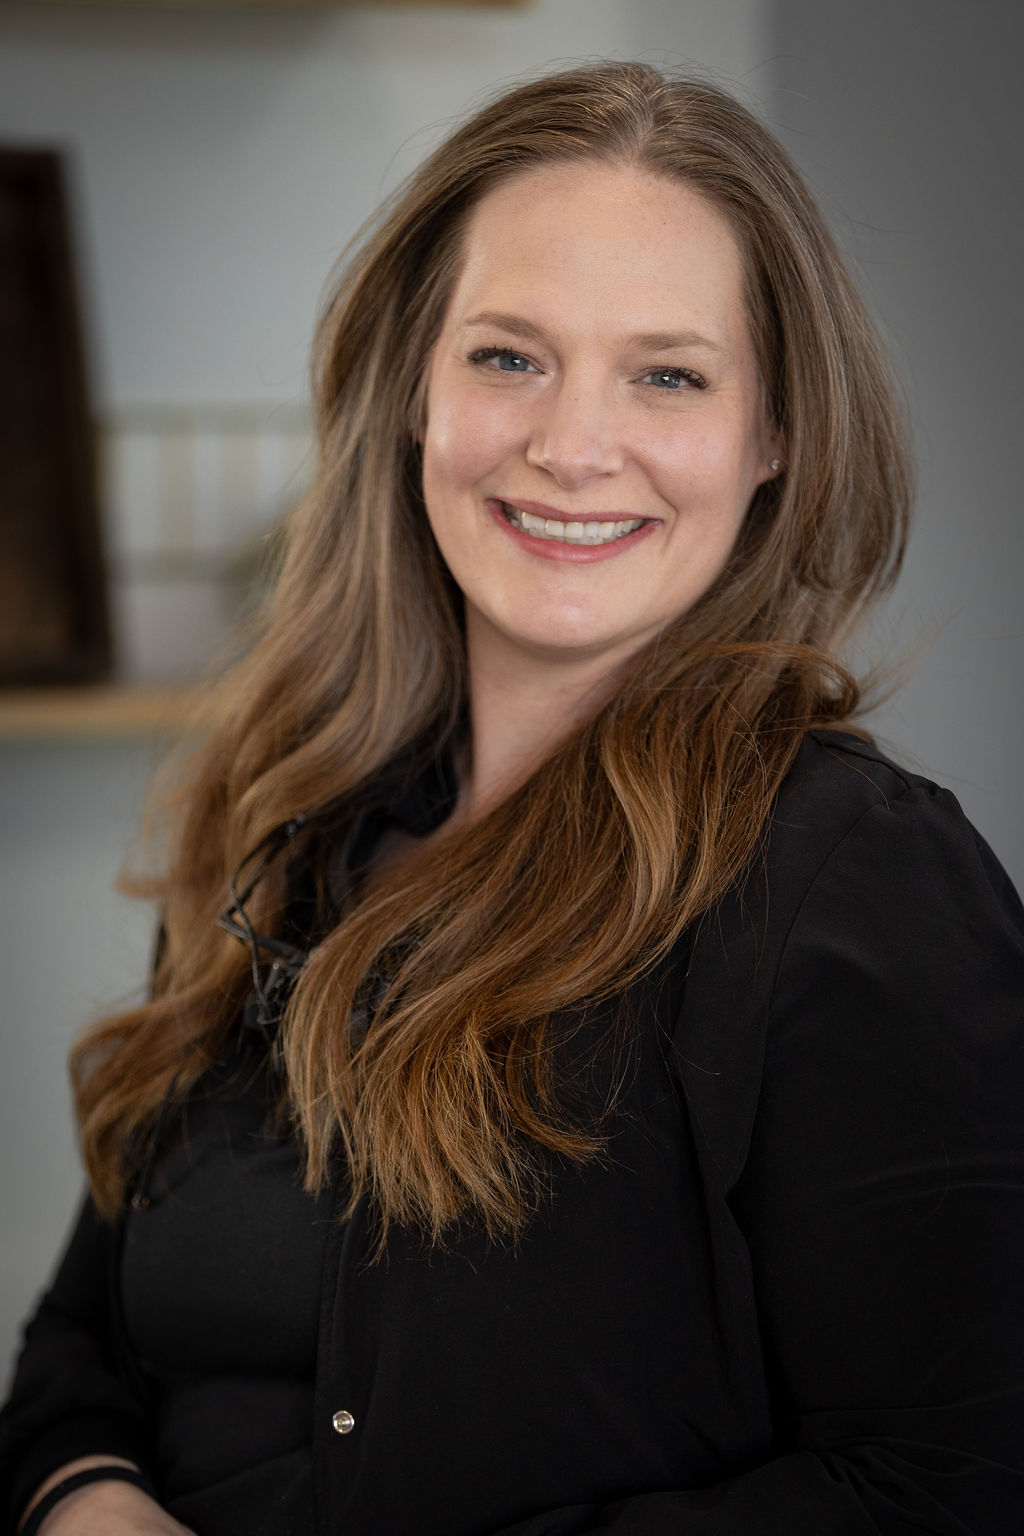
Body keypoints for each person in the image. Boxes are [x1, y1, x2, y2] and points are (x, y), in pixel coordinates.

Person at [2, 59, 1023, 1536]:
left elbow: (955, 1485)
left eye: (668, 375)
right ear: (415, 391)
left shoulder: (858, 883)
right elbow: (80, 1346)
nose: (571, 445)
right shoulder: (285, 823)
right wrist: (89, 1502)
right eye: (508, 357)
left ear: (775, 436)